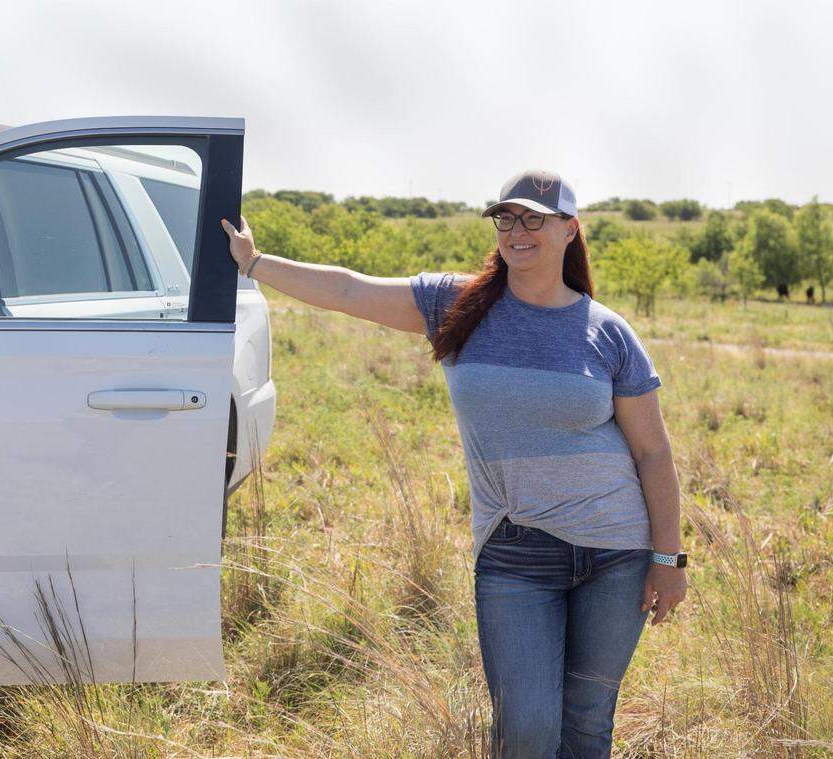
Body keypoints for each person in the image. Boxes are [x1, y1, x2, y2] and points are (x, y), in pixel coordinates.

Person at [221, 169, 688, 758]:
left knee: (587, 727)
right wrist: (256, 263)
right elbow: (349, 290)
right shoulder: (456, 304)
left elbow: (653, 452)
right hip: (516, 554)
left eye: (534, 219)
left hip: (616, 555)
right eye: (506, 218)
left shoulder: (608, 332)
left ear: (570, 230)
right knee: (526, 732)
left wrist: (668, 558)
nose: (518, 231)